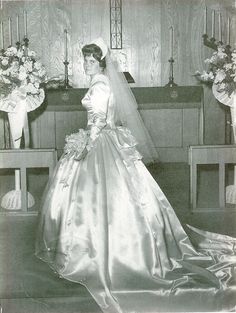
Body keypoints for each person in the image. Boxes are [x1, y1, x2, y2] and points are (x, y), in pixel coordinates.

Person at [35, 38, 236, 313]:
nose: (86, 65)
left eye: (91, 61)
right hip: (105, 140)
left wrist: (83, 148)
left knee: (92, 199)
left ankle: (96, 254)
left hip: (98, 141)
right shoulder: (102, 81)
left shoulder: (101, 84)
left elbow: (98, 121)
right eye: (84, 60)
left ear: (101, 62)